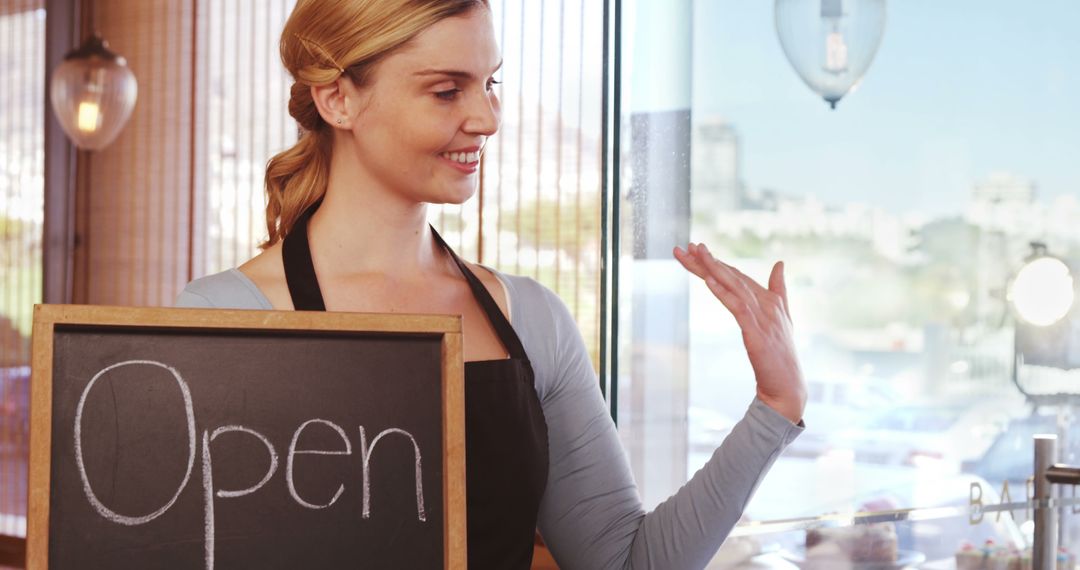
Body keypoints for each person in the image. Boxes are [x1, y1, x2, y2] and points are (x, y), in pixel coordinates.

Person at [176, 0, 807, 567]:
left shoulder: (533, 320)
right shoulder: (224, 315)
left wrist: (775, 404)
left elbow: (626, 563)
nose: (487, 118)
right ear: (338, 99)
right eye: (447, 91)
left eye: (490, 84)